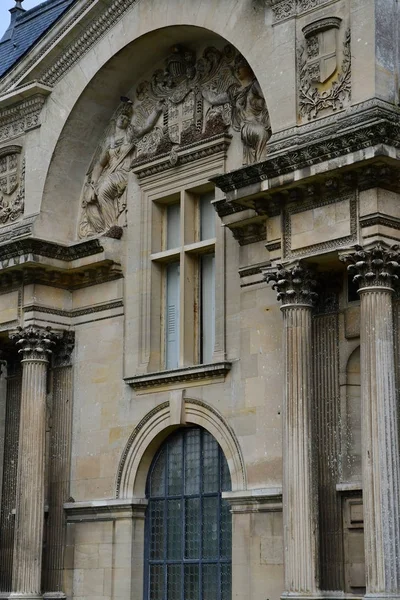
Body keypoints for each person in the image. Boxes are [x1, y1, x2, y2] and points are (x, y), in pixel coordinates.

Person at [80, 97, 163, 236]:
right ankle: (102, 228)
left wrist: (157, 110)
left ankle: (111, 227)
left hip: (125, 172)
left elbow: (146, 127)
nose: (123, 119)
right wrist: (92, 185)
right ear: (116, 119)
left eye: (126, 117)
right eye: (121, 116)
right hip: (111, 173)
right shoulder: (109, 141)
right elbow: (100, 165)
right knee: (92, 198)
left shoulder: (130, 134)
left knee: (104, 190)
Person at [202, 56, 271, 165]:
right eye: (236, 68)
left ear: (249, 67)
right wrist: (202, 90)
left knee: (261, 161)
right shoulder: (234, 91)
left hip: (259, 127)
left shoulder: (255, 85)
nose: (237, 70)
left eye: (240, 67)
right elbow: (215, 99)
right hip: (246, 128)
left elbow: (269, 97)